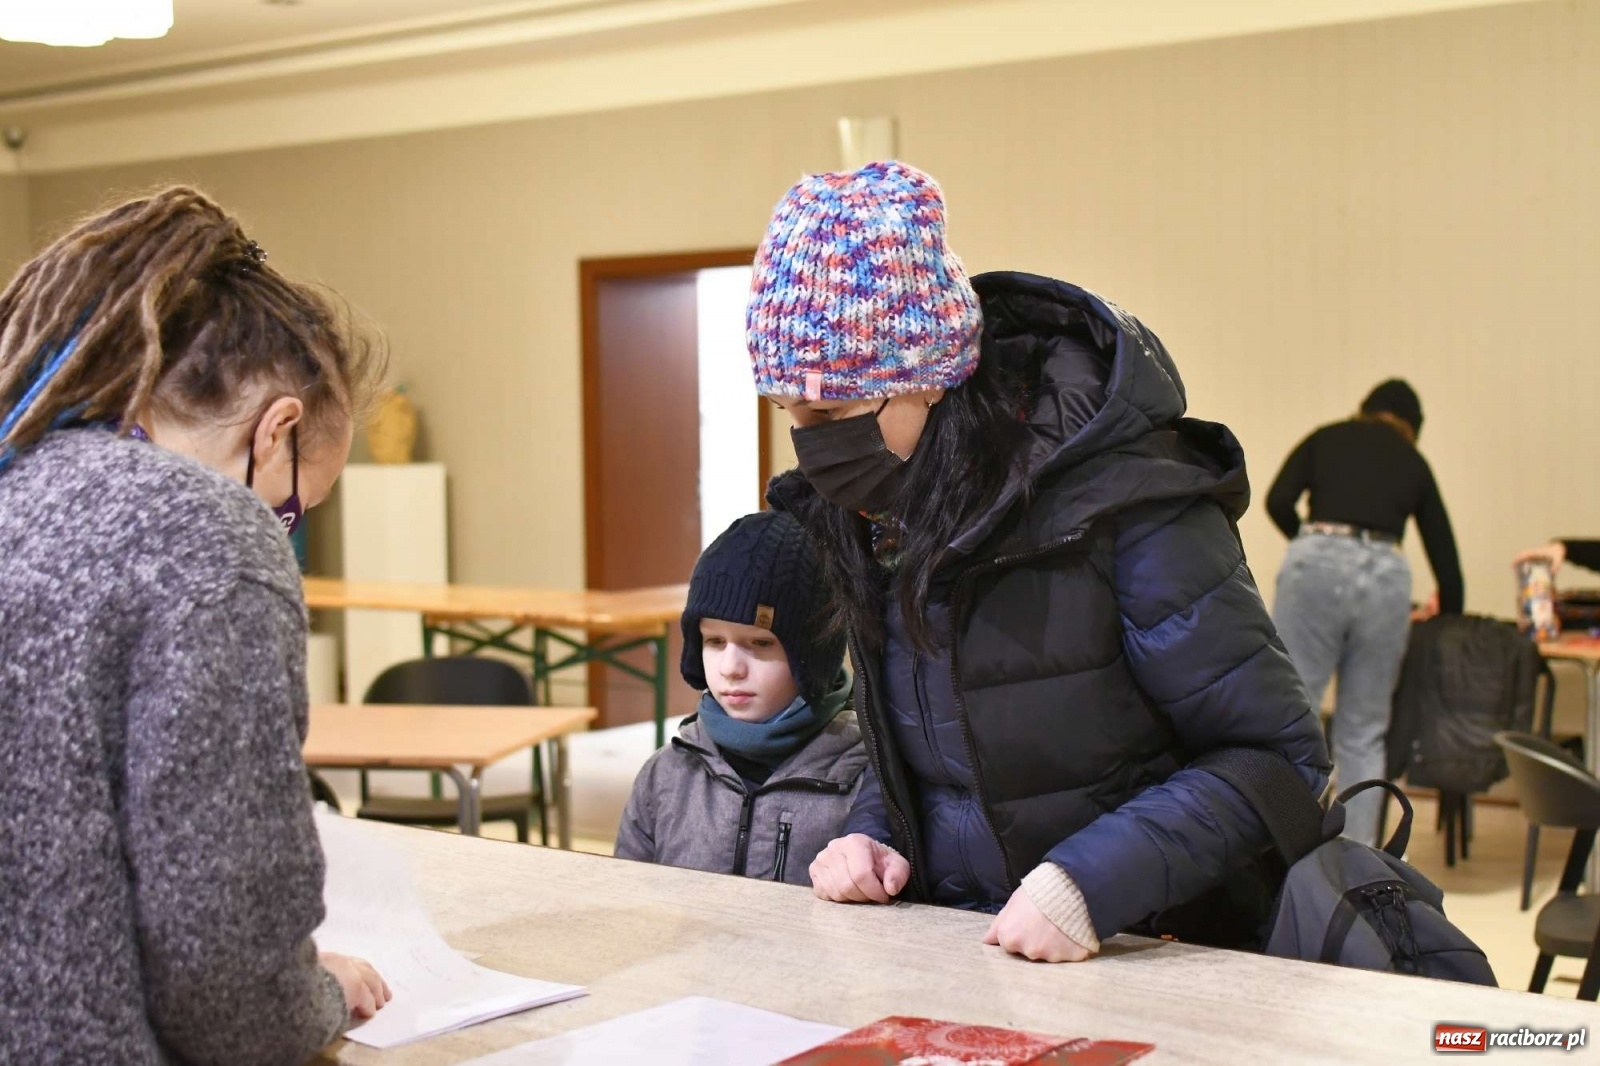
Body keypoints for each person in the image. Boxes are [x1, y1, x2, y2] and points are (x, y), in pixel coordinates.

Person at [747, 161, 1329, 963]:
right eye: (791, 414)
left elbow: (1277, 761)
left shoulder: (1128, 505)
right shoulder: (877, 518)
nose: (813, 444)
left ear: (931, 381)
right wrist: (872, 835)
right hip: (970, 960)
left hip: (1161, 948)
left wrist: (1089, 884)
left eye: (833, 411)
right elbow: (933, 749)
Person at [0, 187, 391, 1064]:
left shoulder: (15, 478)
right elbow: (224, 975)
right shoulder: (208, 536)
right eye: (295, 507)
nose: (282, 526)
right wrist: (309, 992)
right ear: (276, 428)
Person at [615, 510, 865, 884]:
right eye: (714, 641)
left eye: (761, 643)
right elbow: (627, 903)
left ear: (813, 655)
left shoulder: (866, 780)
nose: (731, 667)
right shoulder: (665, 774)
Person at [1266, 379, 1463, 847]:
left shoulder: (1326, 437)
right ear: (1412, 428)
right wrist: (1446, 614)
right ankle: (1354, 867)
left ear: (1364, 409)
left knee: (1295, 714)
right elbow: (1446, 560)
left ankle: (1281, 849)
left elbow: (1277, 500)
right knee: (1364, 729)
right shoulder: (1412, 460)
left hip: (1316, 557)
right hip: (1384, 577)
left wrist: (1311, 545)